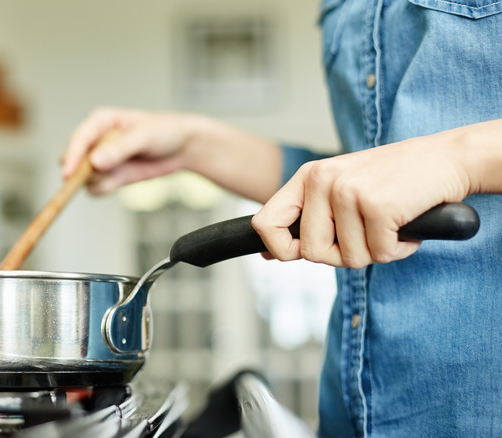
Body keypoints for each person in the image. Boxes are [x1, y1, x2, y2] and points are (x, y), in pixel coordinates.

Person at [61, 1, 502, 437]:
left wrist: (462, 158)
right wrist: (191, 144)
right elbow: (362, 182)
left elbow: (427, 166)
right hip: (356, 411)